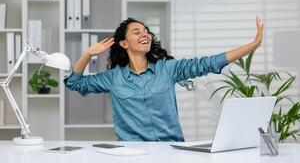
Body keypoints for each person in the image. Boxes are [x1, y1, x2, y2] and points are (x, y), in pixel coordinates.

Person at [64, 17, 264, 141]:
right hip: (131, 155)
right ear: (124, 43)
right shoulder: (113, 78)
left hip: (170, 150)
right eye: (137, 31)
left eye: (146, 31)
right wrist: (88, 55)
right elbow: (74, 83)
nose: (145, 34)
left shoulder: (168, 69)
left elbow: (208, 63)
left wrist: (252, 45)